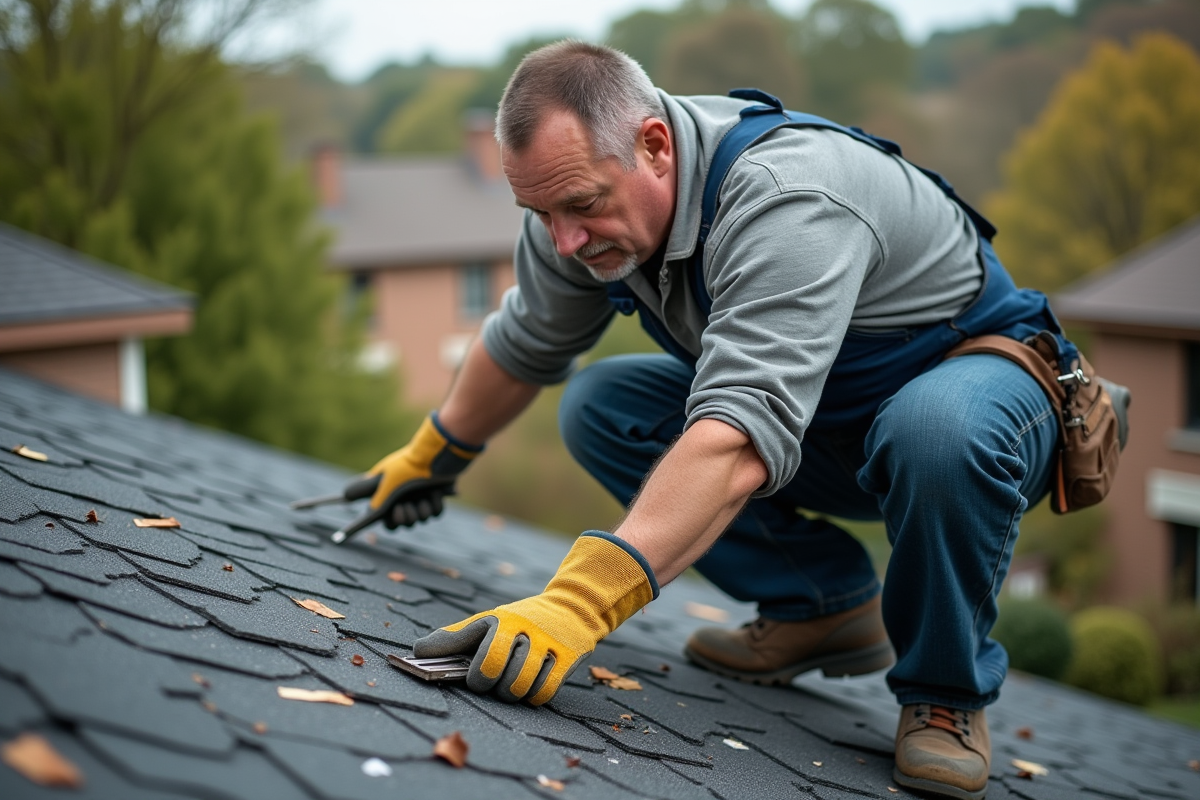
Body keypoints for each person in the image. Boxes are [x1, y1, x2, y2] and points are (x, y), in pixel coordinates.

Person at [362, 41, 1070, 800]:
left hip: (972, 403)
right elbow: (526, 340)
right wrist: (436, 450)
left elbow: (739, 434)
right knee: (604, 407)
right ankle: (823, 605)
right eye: (538, 212)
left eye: (580, 206)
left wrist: (578, 602)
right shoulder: (580, 206)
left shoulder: (787, 196)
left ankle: (944, 694)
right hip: (827, 419)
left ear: (656, 147)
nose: (563, 240)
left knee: (935, 432)